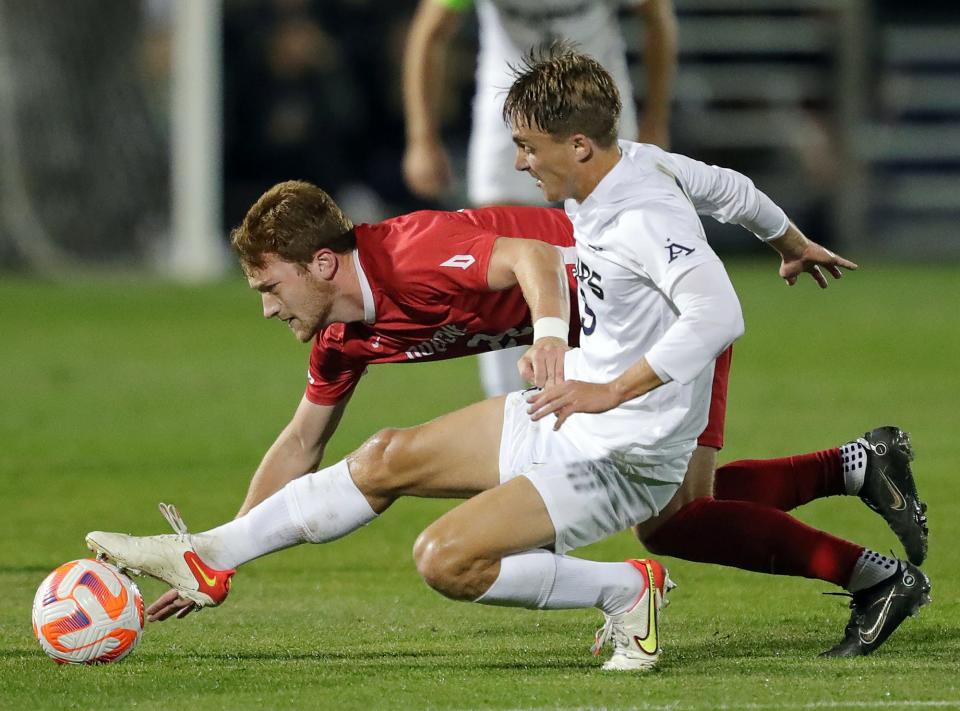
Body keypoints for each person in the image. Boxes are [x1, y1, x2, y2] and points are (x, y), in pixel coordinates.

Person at [87, 53, 929, 664]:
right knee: (383, 457)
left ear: (323, 265)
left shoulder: (431, 251)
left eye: (528, 146)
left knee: (679, 519)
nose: (516, 163)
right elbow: (302, 443)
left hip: (641, 355)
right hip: (595, 366)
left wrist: (574, 363)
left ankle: (867, 564)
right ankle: (859, 466)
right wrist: (790, 240)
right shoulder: (344, 333)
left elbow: (553, 268)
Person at [402, 0, 677, 397]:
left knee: (624, 242)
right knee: (496, 252)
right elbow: (431, 31)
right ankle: (506, 400)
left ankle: (625, 383)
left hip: (596, 102)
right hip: (508, 101)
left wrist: (656, 119)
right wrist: (421, 138)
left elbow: (656, 18)